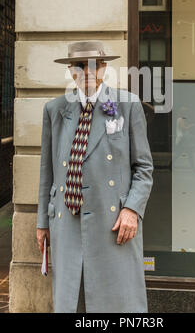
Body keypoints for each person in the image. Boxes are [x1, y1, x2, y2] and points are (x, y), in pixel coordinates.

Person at [36, 40, 154, 313]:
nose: (87, 72)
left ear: (104, 69)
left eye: (95, 65)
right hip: (67, 223)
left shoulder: (127, 105)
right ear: (71, 71)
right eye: (79, 66)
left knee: (115, 303)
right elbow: (47, 172)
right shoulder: (55, 110)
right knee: (71, 301)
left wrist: (132, 210)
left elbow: (144, 168)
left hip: (112, 221)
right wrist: (43, 221)